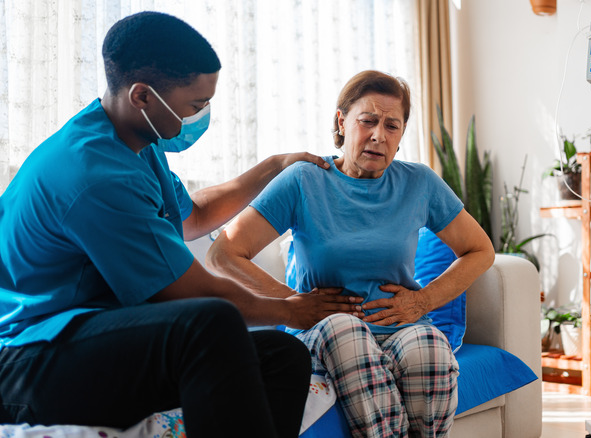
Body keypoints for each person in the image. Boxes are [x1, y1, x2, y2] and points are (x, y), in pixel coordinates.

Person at [0, 11, 362, 438]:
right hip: (28, 360)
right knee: (209, 323)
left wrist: (274, 167)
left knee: (283, 356)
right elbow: (195, 293)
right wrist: (288, 309)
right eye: (196, 105)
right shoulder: (92, 173)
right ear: (142, 96)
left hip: (85, 340)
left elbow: (192, 216)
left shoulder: (136, 144)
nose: (202, 114)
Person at [206, 70, 495, 438]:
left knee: (432, 348)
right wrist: (293, 303)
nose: (379, 135)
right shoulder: (305, 180)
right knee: (346, 330)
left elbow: (480, 250)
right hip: (326, 331)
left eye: (392, 126)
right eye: (368, 121)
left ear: (402, 135)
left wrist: (422, 302)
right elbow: (224, 252)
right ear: (342, 122)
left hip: (399, 327)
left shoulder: (419, 182)